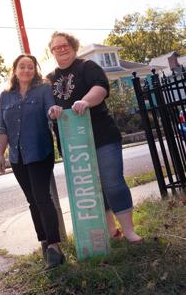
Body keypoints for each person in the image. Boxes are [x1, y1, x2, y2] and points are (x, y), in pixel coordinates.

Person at [46, 31, 142, 244]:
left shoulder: (87, 67)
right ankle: (111, 230)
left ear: (73, 46)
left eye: (65, 45)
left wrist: (85, 101)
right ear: (51, 51)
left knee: (112, 182)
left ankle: (129, 231)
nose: (62, 48)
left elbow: (101, 88)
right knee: (93, 187)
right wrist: (52, 111)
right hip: (73, 144)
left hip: (102, 136)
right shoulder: (49, 80)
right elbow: (48, 107)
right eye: (56, 47)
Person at [0, 54, 65, 269]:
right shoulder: (5, 96)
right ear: (15, 70)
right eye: (22, 66)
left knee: (42, 198)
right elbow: (3, 128)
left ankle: (55, 247)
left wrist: (54, 113)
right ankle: (44, 242)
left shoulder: (43, 89)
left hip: (39, 151)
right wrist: (0, 155)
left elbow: (50, 111)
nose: (26, 70)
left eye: (30, 67)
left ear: (34, 70)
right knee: (32, 201)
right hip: (17, 157)